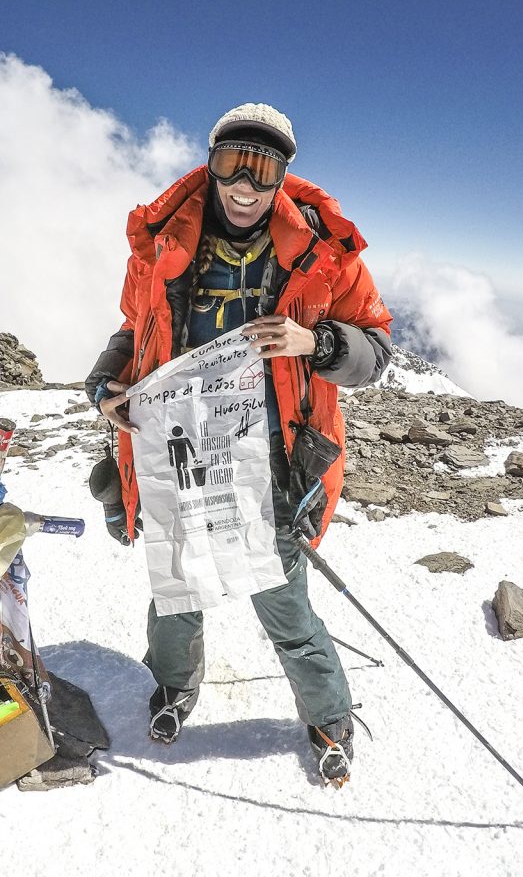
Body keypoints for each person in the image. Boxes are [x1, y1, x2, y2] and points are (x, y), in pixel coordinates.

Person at [85, 103, 393, 785]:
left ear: (284, 174)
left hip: (274, 459)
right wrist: (105, 383)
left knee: (280, 596)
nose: (246, 186)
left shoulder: (325, 252)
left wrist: (319, 343)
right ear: (211, 161)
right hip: (179, 446)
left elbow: (375, 355)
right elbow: (134, 331)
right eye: (232, 165)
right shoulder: (163, 243)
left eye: (264, 168)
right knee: (177, 588)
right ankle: (173, 688)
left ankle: (327, 714)